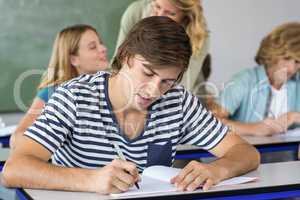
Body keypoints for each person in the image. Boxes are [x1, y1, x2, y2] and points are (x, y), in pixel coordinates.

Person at [2, 16, 259, 194]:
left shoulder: (179, 101)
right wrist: (91, 180)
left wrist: (217, 170)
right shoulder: (74, 96)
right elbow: (14, 169)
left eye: (167, 81)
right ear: (125, 57)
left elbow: (247, 153)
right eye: (147, 73)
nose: (154, 90)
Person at [9, 24, 109, 148]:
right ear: (73, 60)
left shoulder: (109, 86)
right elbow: (17, 139)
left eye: (101, 43)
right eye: (93, 47)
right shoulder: (53, 92)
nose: (103, 48)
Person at [213, 22, 300, 137]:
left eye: (297, 61)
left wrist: (294, 116)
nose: (291, 68)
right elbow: (209, 123)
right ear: (272, 53)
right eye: (286, 58)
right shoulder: (244, 80)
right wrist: (253, 129)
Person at [115, 0, 210, 100]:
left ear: (185, 16)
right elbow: (117, 63)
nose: (159, 16)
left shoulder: (197, 35)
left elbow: (183, 87)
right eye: (157, 7)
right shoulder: (135, 12)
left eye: (171, 13)